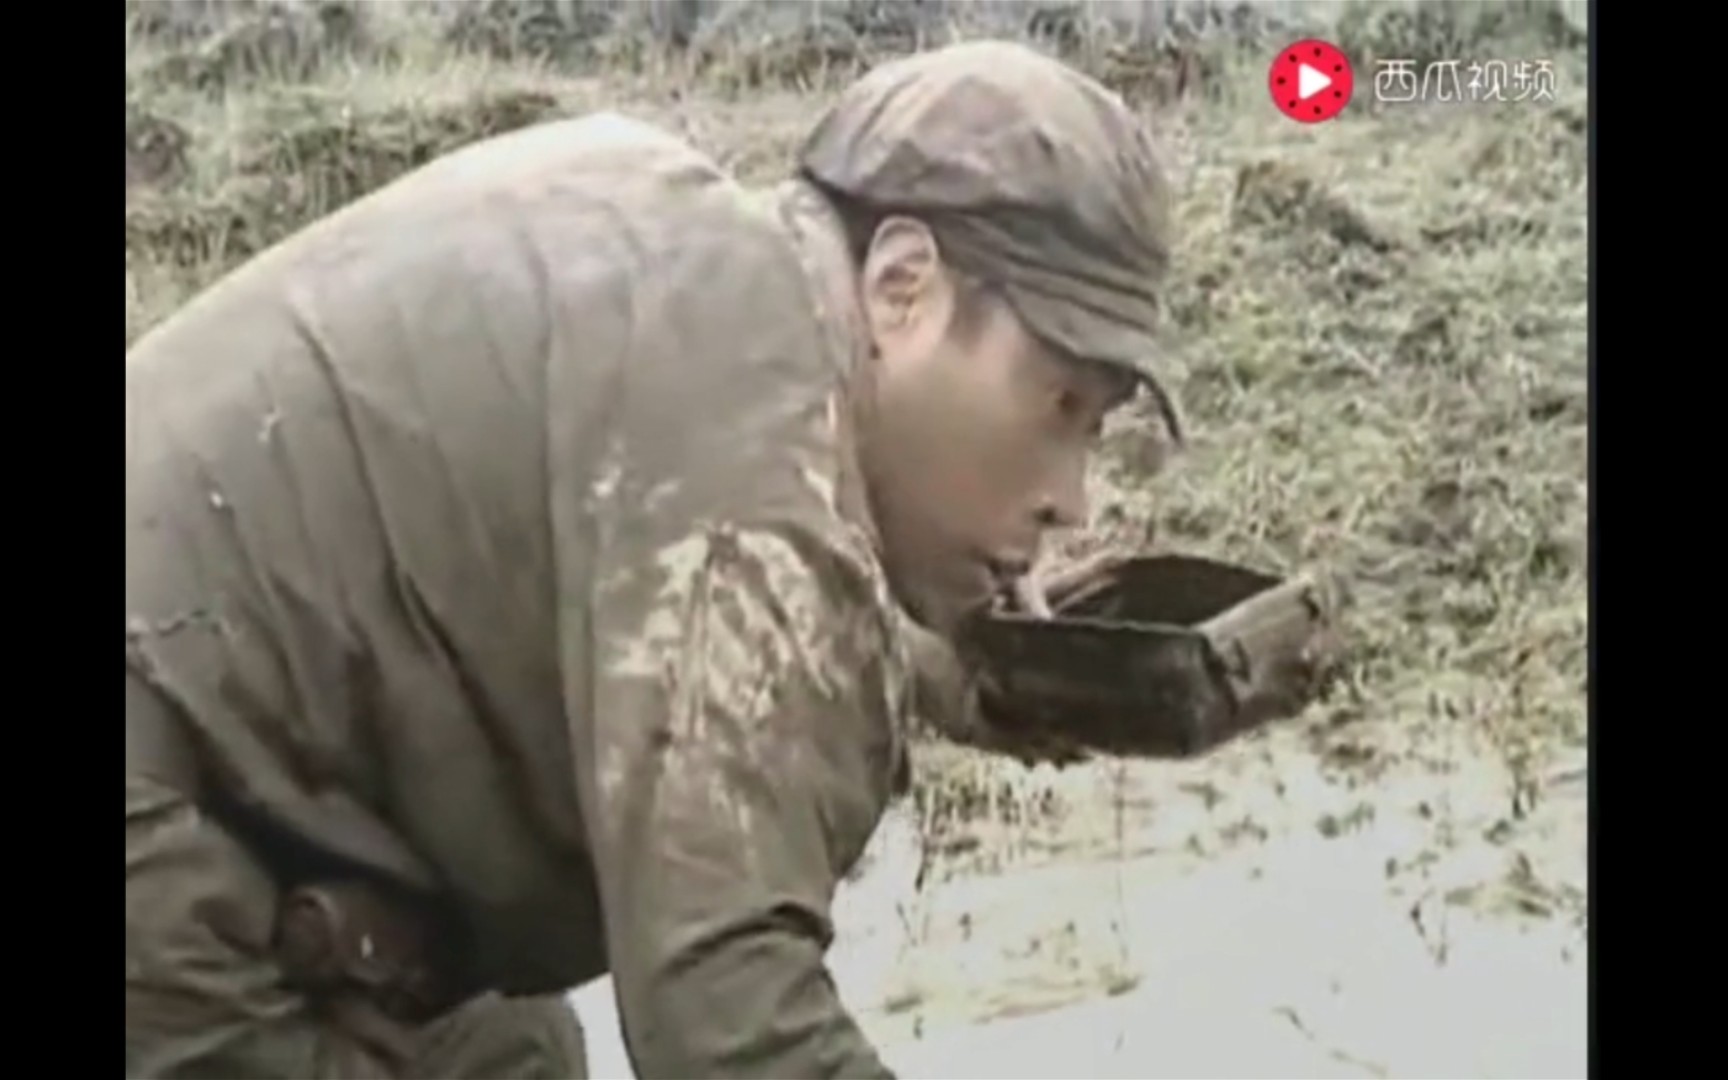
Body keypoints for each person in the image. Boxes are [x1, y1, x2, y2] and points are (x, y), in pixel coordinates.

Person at [125, 38, 1181, 1079]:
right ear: (903, 288)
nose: (1070, 501)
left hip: (223, 799)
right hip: (158, 836)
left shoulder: (692, 269)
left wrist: (955, 673)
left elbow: (648, 622)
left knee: (517, 1050)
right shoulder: (745, 459)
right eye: (1059, 406)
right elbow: (726, 1021)